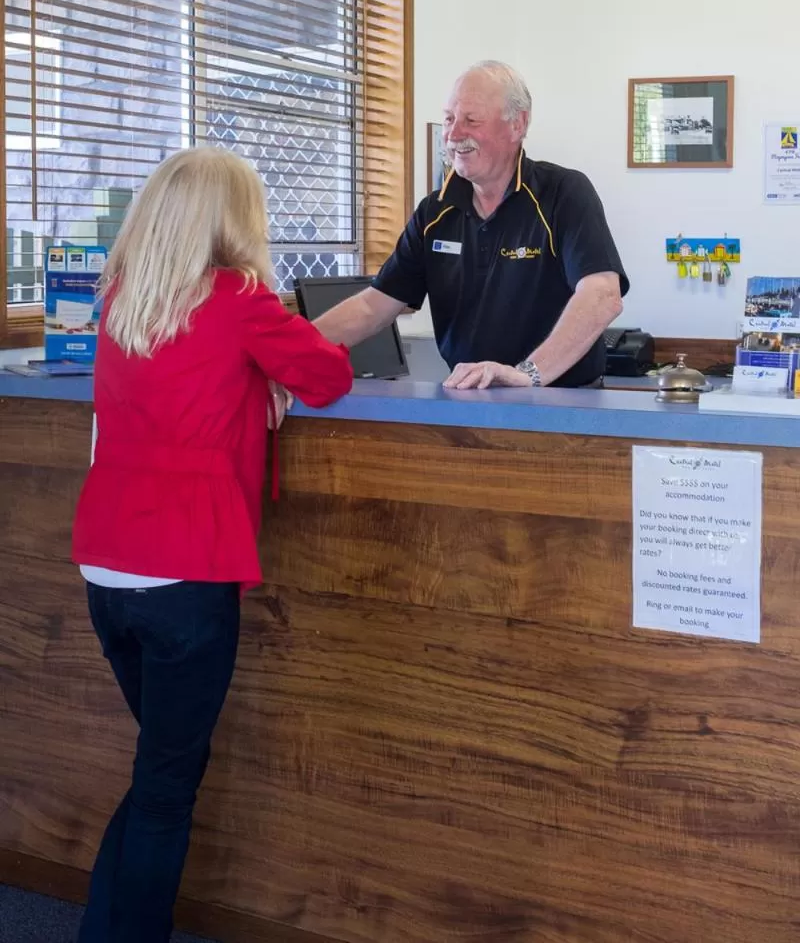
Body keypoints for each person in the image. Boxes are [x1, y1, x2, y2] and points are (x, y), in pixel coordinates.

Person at [71, 147, 353, 943]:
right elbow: (329, 377)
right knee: (167, 783)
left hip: (107, 568)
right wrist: (269, 374)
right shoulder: (239, 299)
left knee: (159, 769)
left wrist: (253, 381)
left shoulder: (123, 298)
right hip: (187, 575)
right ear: (235, 219)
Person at [314, 60, 627, 389]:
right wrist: (283, 350)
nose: (453, 134)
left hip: (562, 403)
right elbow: (372, 307)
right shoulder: (433, 212)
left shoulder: (564, 193)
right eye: (449, 119)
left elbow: (603, 296)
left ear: (517, 125)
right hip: (471, 402)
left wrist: (526, 374)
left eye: (471, 120)